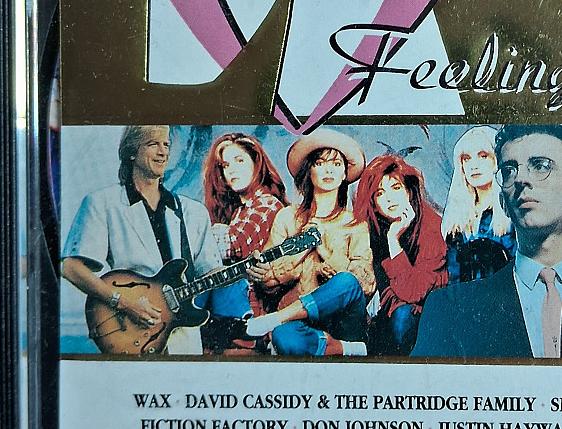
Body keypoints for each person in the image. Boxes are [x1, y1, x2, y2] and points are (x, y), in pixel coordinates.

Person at [412, 124, 562, 358]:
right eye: (509, 170)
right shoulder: (450, 309)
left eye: (541, 166)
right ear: (503, 202)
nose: (520, 179)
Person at [61, 125, 222, 354]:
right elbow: (70, 267)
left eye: (166, 144)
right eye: (152, 144)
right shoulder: (102, 203)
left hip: (183, 342)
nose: (162, 152)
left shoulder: (192, 211)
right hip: (130, 335)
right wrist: (124, 303)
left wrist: (250, 270)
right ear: (132, 152)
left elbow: (212, 271)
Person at [245, 129, 375, 356]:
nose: (328, 170)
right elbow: (267, 281)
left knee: (346, 280)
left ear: (344, 174)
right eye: (320, 163)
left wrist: (323, 250)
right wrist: (301, 250)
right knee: (283, 337)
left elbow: (365, 285)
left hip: (344, 321)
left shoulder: (355, 223)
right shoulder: (287, 218)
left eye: (336, 164)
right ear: (309, 171)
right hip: (302, 323)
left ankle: (279, 318)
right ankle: (337, 348)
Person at [200, 132, 288, 353]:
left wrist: (205, 233)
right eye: (225, 165)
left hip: (252, 310)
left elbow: (235, 245)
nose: (232, 170)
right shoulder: (237, 212)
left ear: (256, 164)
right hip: (227, 308)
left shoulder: (267, 204)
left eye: (239, 161)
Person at [353, 154, 448, 356]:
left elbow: (413, 293)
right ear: (373, 202)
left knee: (402, 317)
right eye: (380, 193)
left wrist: (393, 240)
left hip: (428, 314)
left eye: (395, 188)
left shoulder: (431, 227)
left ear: (408, 192)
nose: (389, 198)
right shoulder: (375, 227)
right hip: (392, 311)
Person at [441, 126, 516, 283]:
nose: (473, 165)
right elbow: (454, 278)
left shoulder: (513, 213)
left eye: (483, 156)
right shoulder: (456, 220)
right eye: (467, 159)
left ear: (497, 160)